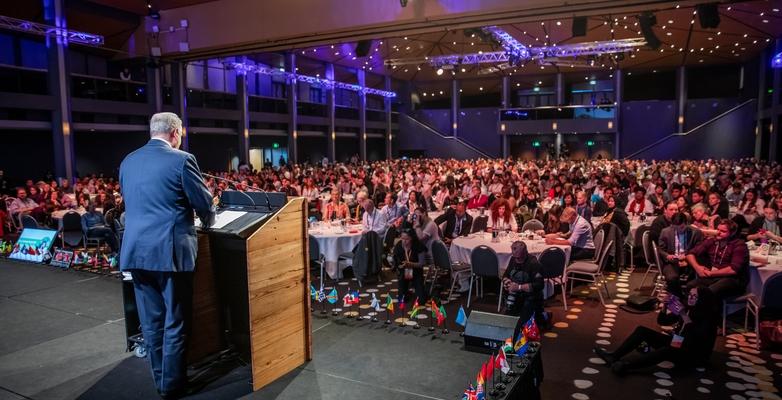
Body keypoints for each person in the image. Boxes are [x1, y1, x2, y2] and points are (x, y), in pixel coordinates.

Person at [119, 112, 215, 399]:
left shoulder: (128, 161)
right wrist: (208, 219)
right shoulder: (182, 159)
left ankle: (160, 379)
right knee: (175, 321)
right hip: (169, 254)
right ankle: (171, 386)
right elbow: (203, 202)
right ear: (175, 132)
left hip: (136, 253)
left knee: (151, 322)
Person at [594, 287, 719, 375]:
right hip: (678, 342)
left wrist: (683, 315)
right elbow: (663, 322)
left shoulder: (708, 317)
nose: (690, 298)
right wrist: (665, 306)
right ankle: (614, 356)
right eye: (690, 295)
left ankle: (627, 366)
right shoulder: (687, 308)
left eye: (694, 296)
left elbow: (695, 339)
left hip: (693, 354)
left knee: (667, 350)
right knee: (642, 331)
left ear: (702, 299)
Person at [685, 219, 748, 300]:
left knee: (708, 291)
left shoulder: (739, 244)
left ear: (732, 233)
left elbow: (733, 269)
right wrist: (698, 268)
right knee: (690, 286)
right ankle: (690, 310)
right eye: (718, 229)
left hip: (732, 279)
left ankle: (708, 312)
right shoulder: (712, 241)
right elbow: (690, 254)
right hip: (713, 276)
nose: (718, 232)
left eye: (723, 231)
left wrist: (711, 273)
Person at [503, 241, 545, 340]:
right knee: (506, 319)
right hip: (516, 296)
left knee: (521, 326)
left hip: (530, 298)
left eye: (518, 257)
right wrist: (507, 282)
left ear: (525, 252)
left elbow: (539, 285)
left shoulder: (533, 263)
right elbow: (505, 275)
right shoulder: (513, 259)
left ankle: (542, 316)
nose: (516, 259)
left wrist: (519, 287)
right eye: (513, 254)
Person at [657, 212, 703, 297]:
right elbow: (660, 249)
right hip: (672, 261)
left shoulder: (696, 232)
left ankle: (689, 298)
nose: (679, 230)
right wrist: (667, 255)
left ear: (686, 223)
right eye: (675, 228)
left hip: (690, 261)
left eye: (681, 227)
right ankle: (680, 299)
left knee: (693, 280)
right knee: (671, 278)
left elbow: (699, 249)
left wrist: (686, 256)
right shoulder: (665, 231)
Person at [392, 228, 428, 305]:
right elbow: (395, 261)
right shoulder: (399, 246)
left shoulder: (418, 246)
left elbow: (422, 264)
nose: (404, 241)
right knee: (401, 300)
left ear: (412, 238)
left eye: (407, 239)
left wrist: (411, 264)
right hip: (404, 272)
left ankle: (417, 290)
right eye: (402, 238)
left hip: (416, 271)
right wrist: (398, 265)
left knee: (421, 301)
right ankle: (406, 292)